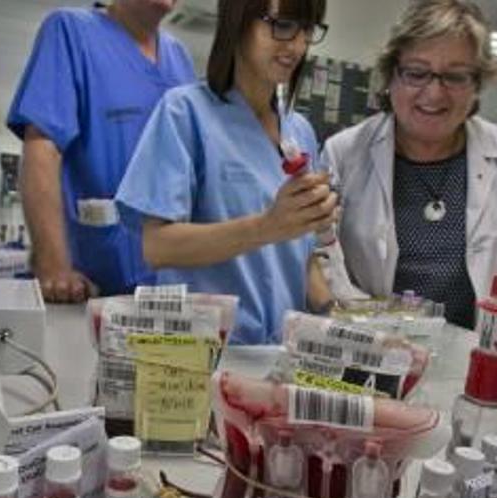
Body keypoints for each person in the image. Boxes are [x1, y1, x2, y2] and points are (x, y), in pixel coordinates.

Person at [315, 0, 497, 348]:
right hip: (369, 346)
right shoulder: (345, 152)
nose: (434, 93)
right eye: (416, 72)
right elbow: (322, 256)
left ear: (477, 84)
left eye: (455, 76)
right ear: (391, 76)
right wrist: (366, 322)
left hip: (467, 356)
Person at [115, 0, 334, 344]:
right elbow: (157, 246)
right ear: (238, 20)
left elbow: (300, 256)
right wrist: (266, 227)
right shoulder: (185, 113)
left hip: (279, 357)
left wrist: (340, 316)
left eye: (307, 29)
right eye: (283, 24)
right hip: (201, 355)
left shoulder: (300, 132)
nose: (296, 45)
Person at [7, 0, 195, 302]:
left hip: (165, 291)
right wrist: (53, 266)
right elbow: (43, 147)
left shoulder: (180, 60)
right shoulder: (71, 32)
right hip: (85, 288)